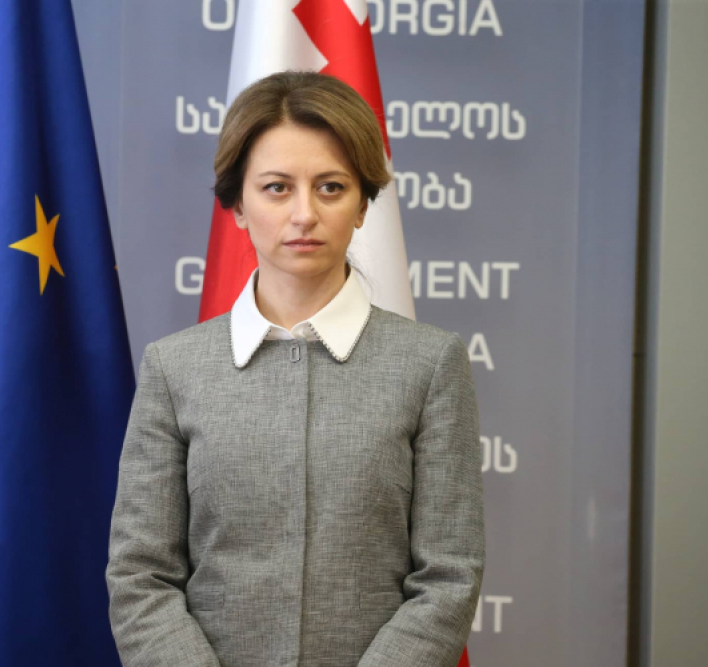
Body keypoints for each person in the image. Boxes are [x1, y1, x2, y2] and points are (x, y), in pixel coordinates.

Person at [106, 70, 484, 667]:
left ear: (363, 205)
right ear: (237, 204)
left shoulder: (431, 364)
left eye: (331, 187)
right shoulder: (174, 369)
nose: (304, 214)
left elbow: (449, 576)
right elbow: (139, 576)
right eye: (277, 188)